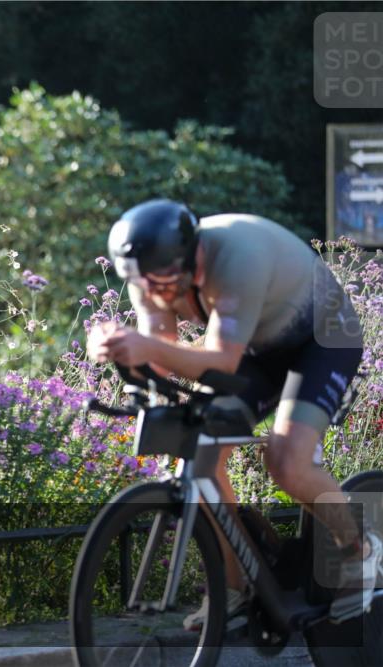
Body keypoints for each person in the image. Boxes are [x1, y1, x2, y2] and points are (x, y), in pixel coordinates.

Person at [86, 199, 382, 629]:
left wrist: (146, 347)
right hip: (256, 350)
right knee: (200, 453)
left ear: (191, 257)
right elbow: (162, 359)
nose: (156, 293)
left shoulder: (238, 256)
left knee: (286, 462)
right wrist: (119, 352)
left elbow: (221, 359)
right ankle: (236, 586)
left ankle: (360, 548)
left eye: (165, 282)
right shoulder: (149, 275)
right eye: (145, 284)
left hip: (321, 341)